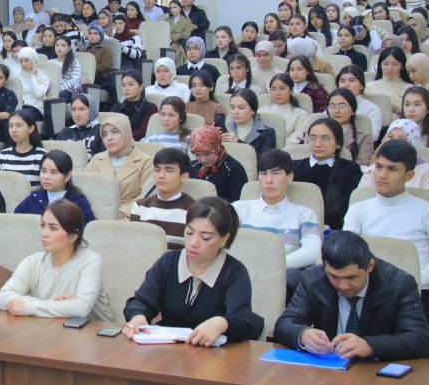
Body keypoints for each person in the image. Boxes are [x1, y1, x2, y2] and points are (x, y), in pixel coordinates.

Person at [121, 197, 264, 345]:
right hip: (169, 354)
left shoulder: (234, 272)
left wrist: (223, 323)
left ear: (224, 239)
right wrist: (138, 316)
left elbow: (243, 320)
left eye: (206, 237)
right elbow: (141, 301)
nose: (194, 243)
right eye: (189, 233)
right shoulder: (169, 262)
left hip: (216, 358)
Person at [343, 140, 429, 327]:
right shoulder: (358, 209)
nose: (382, 175)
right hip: (366, 288)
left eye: (392, 169)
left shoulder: (428, 210)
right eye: (378, 167)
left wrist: (413, 280)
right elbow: (346, 252)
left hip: (415, 290)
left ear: (409, 175)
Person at [274, 230, 429, 362]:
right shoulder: (313, 279)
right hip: (328, 372)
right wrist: (303, 335)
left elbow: (420, 340)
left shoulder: (399, 284)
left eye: (351, 278)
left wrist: (370, 346)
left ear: (370, 266)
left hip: (376, 372)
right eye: (334, 277)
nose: (342, 285)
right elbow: (284, 324)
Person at [0, 201, 117, 321]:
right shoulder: (33, 262)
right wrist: (53, 305)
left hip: (95, 332)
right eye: (43, 225)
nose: (44, 233)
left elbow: (81, 308)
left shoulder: (90, 261)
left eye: (53, 228)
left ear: (73, 236)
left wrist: (29, 306)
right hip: (53, 330)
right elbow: (2, 298)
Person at [233, 149, 322, 291]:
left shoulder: (304, 214)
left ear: (289, 177)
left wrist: (274, 266)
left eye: (275, 173)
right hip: (241, 273)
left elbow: (313, 251)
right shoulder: (239, 209)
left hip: (284, 277)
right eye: (263, 174)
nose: (268, 180)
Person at [294, 118, 362, 231]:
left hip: (334, 232)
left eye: (325, 139)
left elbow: (347, 211)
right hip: (297, 228)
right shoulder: (294, 167)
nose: (317, 144)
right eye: (313, 138)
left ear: (338, 143)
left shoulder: (351, 171)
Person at [362, 118, 429, 209]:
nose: (394, 142)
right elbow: (361, 200)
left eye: (401, 139)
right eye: (390, 137)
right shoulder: (374, 168)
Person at [84, 112, 155, 216]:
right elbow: (83, 188)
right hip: (95, 213)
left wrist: (123, 212)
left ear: (126, 133)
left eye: (115, 132)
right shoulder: (96, 159)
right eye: (104, 134)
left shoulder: (146, 161)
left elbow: (147, 196)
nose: (109, 138)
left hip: (129, 216)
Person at [128, 147, 196, 240]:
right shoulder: (139, 206)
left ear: (184, 177)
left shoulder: (194, 210)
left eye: (169, 170)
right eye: (157, 170)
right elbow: (134, 242)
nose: (161, 175)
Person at [15, 150, 95, 222]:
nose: (46, 177)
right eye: (43, 171)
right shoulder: (34, 198)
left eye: (53, 172)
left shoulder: (78, 202)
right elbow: (17, 221)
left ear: (67, 176)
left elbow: (90, 231)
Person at [188, 124, 248, 202]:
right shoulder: (192, 166)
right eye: (197, 154)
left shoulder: (233, 169)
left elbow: (238, 202)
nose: (203, 160)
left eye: (207, 154)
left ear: (217, 148)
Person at [0, 109, 48, 188]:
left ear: (31, 128)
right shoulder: (3, 154)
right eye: (10, 126)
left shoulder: (42, 155)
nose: (13, 130)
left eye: (19, 125)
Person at [326, 88, 374, 165]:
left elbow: (361, 165)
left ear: (353, 111)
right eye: (332, 106)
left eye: (342, 106)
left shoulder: (363, 137)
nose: (336, 111)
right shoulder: (316, 132)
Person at [335, 65, 384, 139]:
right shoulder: (332, 106)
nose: (346, 85)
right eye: (342, 81)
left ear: (361, 85)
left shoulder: (372, 109)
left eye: (352, 80)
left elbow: (373, 135)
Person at [221, 89, 274, 155]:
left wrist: (238, 143)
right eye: (232, 107)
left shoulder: (267, 133)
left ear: (253, 110)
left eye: (241, 108)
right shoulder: (224, 131)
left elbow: (266, 162)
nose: (235, 112)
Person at [265, 73, 311, 144]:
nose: (277, 93)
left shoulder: (301, 114)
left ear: (291, 90)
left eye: (282, 89)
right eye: (273, 89)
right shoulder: (262, 112)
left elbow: (298, 137)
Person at [114, 70, 158, 140]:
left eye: (131, 85)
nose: (126, 89)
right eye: (123, 85)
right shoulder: (116, 107)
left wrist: (121, 140)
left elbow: (142, 133)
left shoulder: (151, 108)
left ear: (141, 86)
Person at [15, 47, 50, 111]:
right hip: (20, 107)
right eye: (21, 61)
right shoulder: (18, 77)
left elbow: (38, 94)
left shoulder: (42, 76)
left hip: (36, 108)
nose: (23, 64)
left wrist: (33, 76)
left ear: (33, 61)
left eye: (26, 60)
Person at [54, 35, 84, 102]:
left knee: (59, 95)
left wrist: (59, 88)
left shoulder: (74, 61)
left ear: (69, 48)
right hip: (51, 90)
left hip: (66, 90)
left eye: (63, 45)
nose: (59, 48)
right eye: (57, 45)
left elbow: (75, 80)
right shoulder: (50, 62)